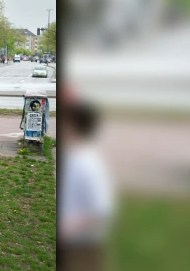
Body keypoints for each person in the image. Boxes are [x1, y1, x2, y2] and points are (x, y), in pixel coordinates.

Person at [59, 100, 114, 271]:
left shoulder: (88, 162)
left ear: (75, 126)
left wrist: (67, 228)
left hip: (83, 246)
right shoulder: (73, 157)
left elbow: (101, 210)